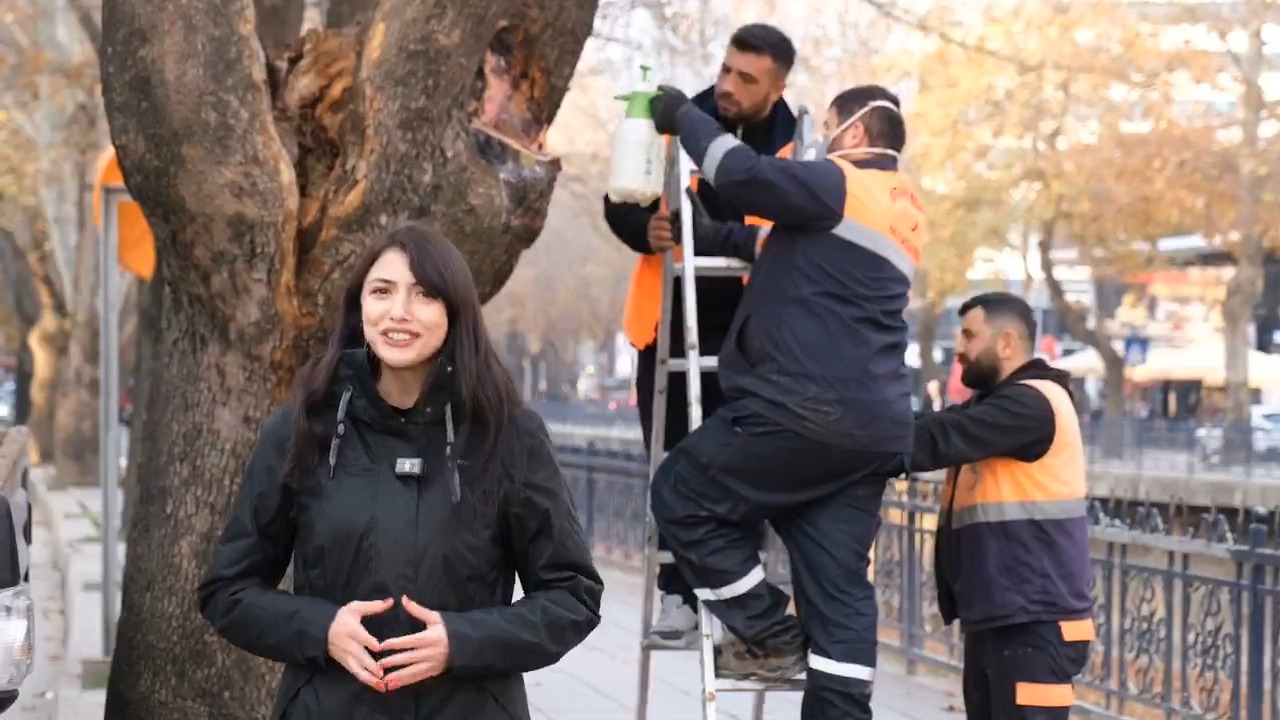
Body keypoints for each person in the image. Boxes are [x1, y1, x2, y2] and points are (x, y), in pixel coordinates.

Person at [197, 222, 604, 719]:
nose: (399, 313)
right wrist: (321, 628)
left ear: (454, 312)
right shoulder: (304, 429)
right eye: (382, 291)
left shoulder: (508, 435)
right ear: (359, 306)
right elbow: (228, 590)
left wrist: (462, 641)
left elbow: (571, 596)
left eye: (424, 294)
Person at [643, 82, 928, 720]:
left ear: (854, 134)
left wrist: (681, 117)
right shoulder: (900, 207)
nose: (821, 140)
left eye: (828, 127)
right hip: (871, 433)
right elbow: (778, 250)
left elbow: (742, 175)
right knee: (838, 591)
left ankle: (769, 634)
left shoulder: (841, 183)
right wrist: (706, 234)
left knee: (682, 494)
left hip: (800, 411)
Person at [604, 22, 799, 644]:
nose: (728, 86)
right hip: (667, 328)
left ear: (778, 87)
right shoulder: (675, 123)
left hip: (752, 337)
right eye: (726, 70)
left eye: (747, 79)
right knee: (670, 469)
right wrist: (645, 230)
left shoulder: (795, 148)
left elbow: (786, 239)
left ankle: (733, 607)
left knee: (740, 478)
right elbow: (621, 198)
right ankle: (676, 599)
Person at [902, 292, 1094, 720]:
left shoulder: (1033, 403)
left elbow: (933, 440)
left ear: (1007, 343)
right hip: (1004, 616)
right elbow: (933, 428)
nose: (959, 348)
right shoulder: (994, 406)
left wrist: (845, 437)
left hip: (1035, 621)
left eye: (969, 335)